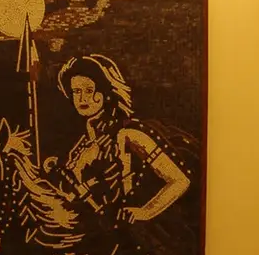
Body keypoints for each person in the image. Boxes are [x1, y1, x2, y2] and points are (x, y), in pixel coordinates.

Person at [49, 54, 190, 236]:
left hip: (128, 237)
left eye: (89, 90)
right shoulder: (82, 145)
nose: (82, 98)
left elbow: (180, 181)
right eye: (76, 91)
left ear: (105, 92)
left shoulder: (128, 134)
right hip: (89, 235)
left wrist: (145, 212)